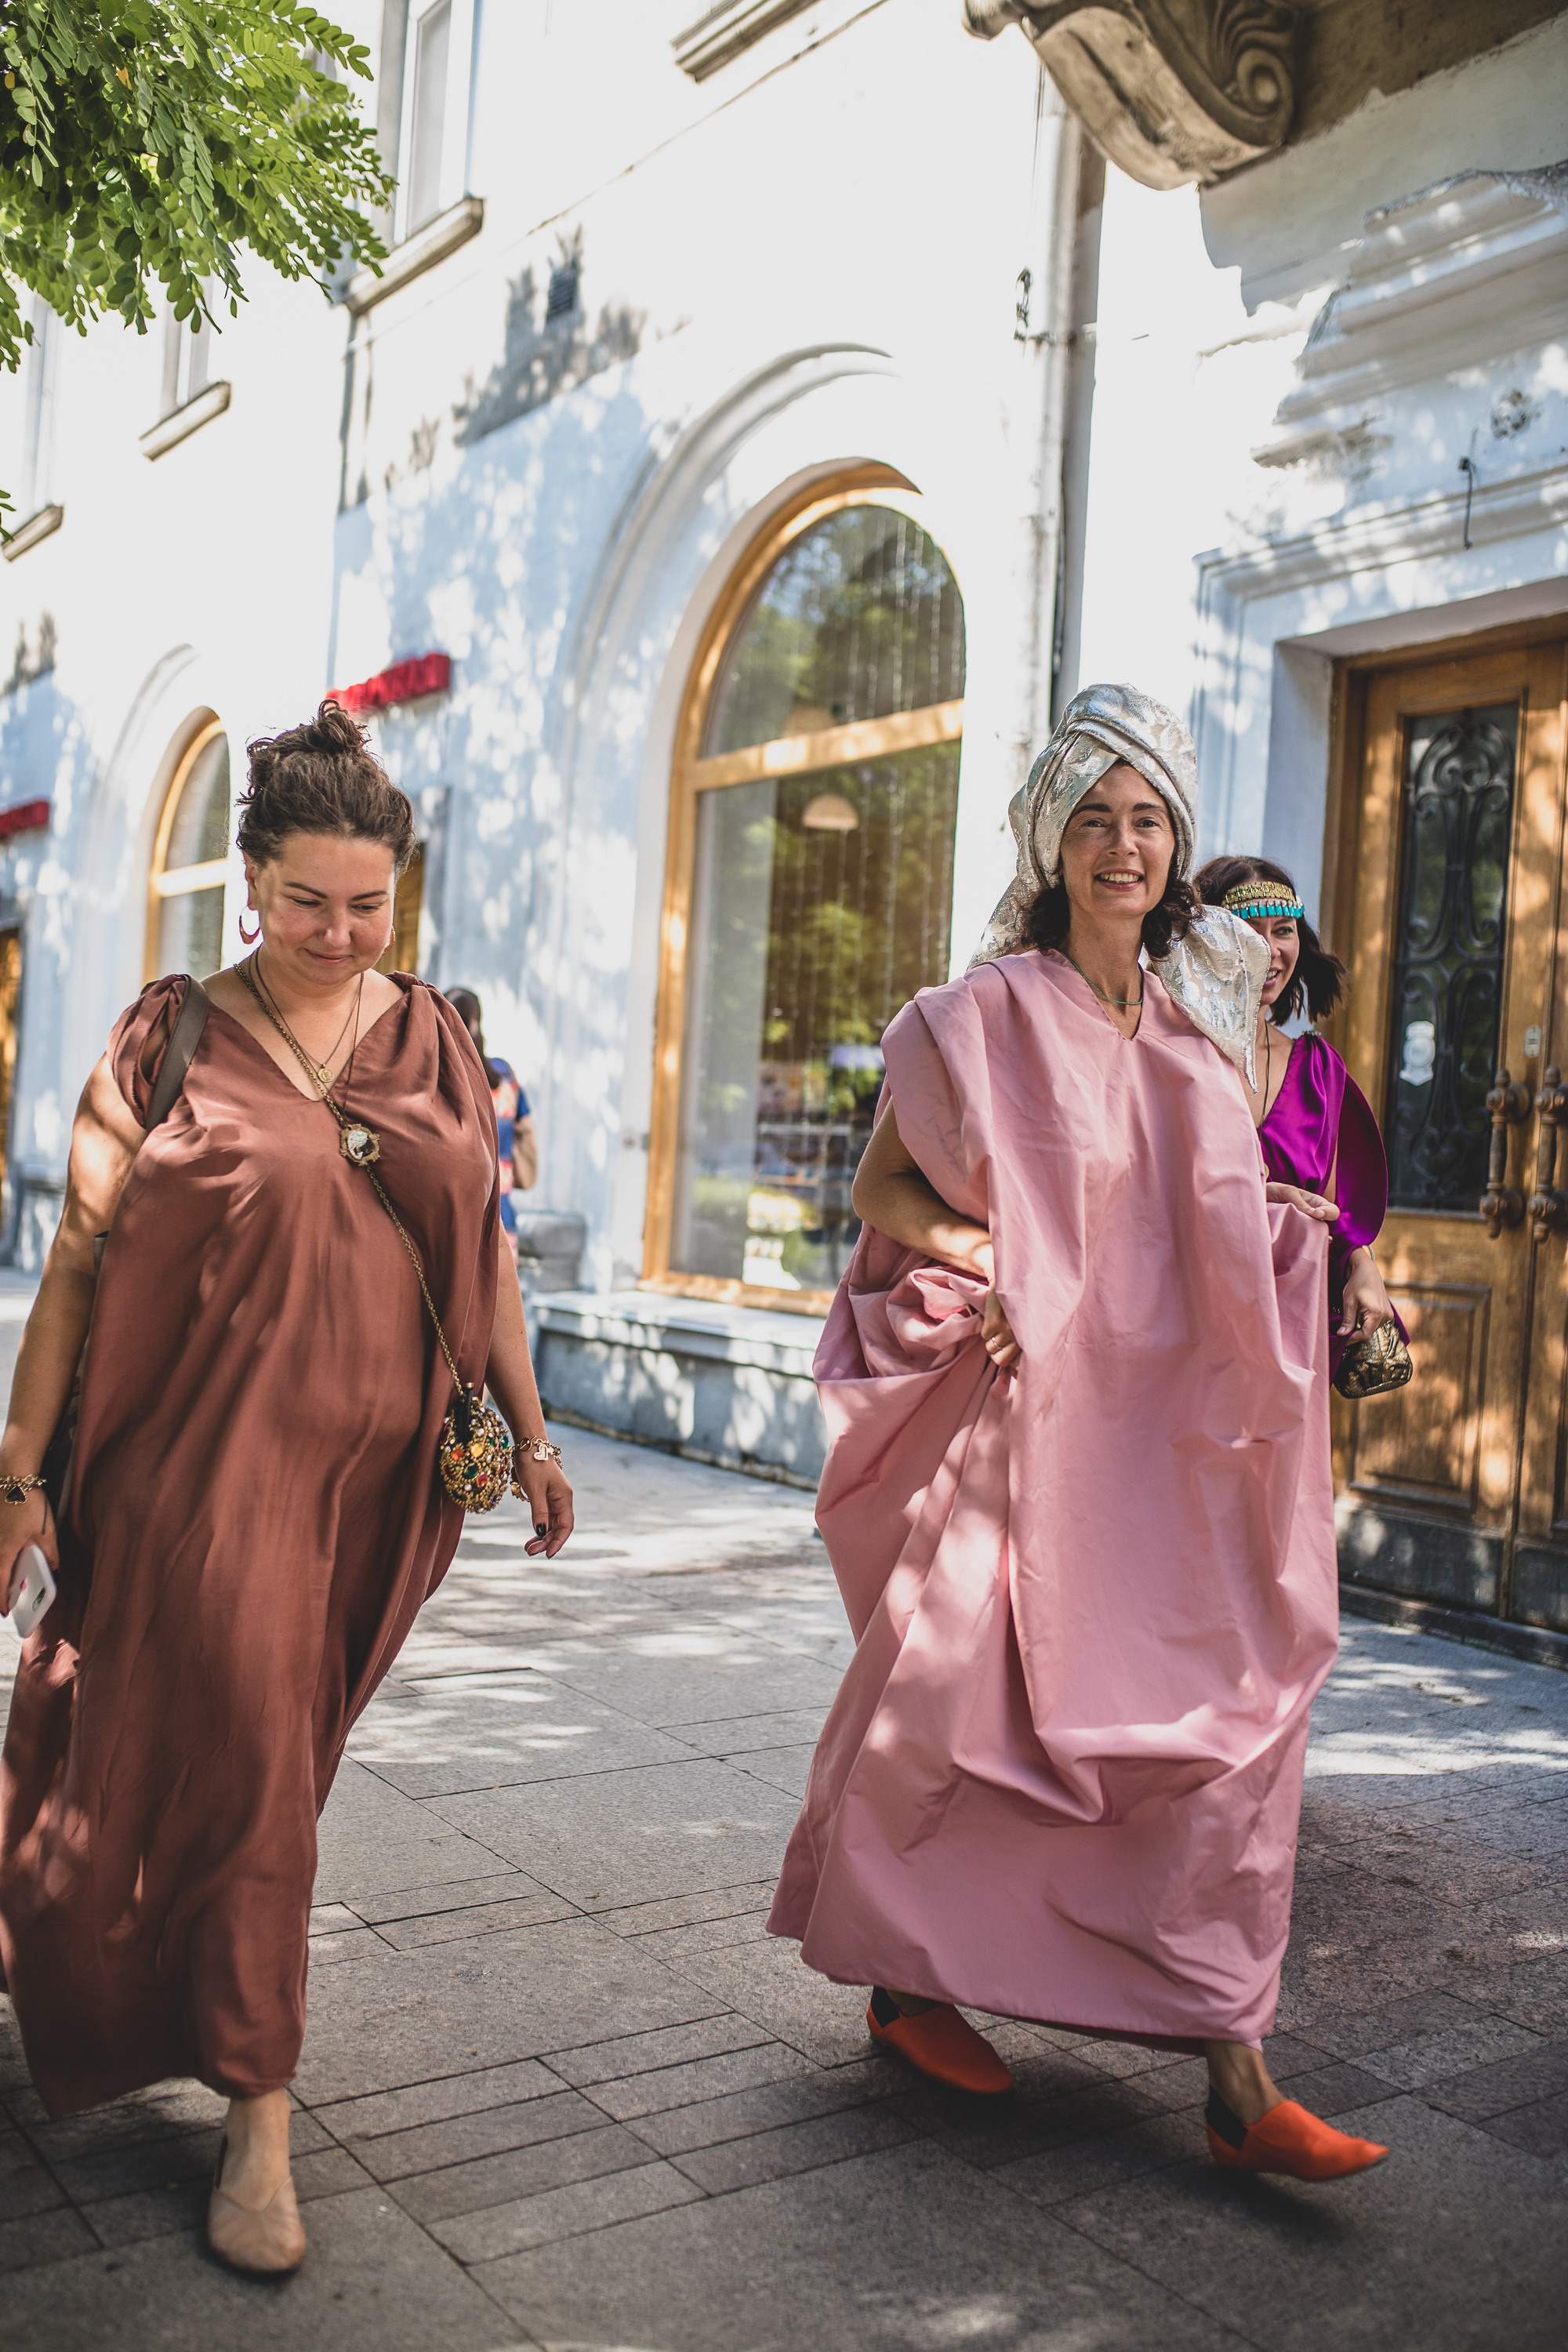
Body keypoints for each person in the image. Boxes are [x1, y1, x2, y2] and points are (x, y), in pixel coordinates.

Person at [768, 683, 1389, 2183]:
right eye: (1097, 820)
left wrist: (1329, 1263)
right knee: (979, 1726)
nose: (1125, 846)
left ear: (1178, 846)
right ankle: (912, 1978)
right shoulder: (978, 1014)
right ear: (1055, 843)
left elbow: (1222, 1219)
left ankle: (1236, 2067)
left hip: (1173, 1439)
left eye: (1150, 820)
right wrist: (992, 1261)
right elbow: (882, 1200)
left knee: (1224, 1723)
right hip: (1035, 1433)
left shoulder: (1200, 1022)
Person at [0, 701, 573, 2276]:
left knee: (238, 1753)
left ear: (406, 892)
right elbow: (77, 1260)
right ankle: (259, 2108)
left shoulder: (438, 1042)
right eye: (305, 902)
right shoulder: (169, 1030)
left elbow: (489, 1260)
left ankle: (54, 1914)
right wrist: (14, 1477)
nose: (337, 932)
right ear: (248, 883)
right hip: (192, 1468)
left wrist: (527, 1432)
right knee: (253, 1764)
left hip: (376, 1494)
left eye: (368, 905)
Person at [1193, 855, 1397, 1370]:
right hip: (1179, 1316)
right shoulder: (1162, 1050)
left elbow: (1333, 1205)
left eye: (1283, 930)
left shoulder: (1317, 1069)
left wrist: (1363, 1264)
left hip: (1286, 1333)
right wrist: (1254, 1196)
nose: (1268, 949)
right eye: (1246, 930)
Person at [445, 988, 537, 1267]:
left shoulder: (439, 1076)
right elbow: (527, 1131)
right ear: (477, 1023)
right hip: (501, 1218)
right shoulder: (505, 1077)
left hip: (451, 1221)